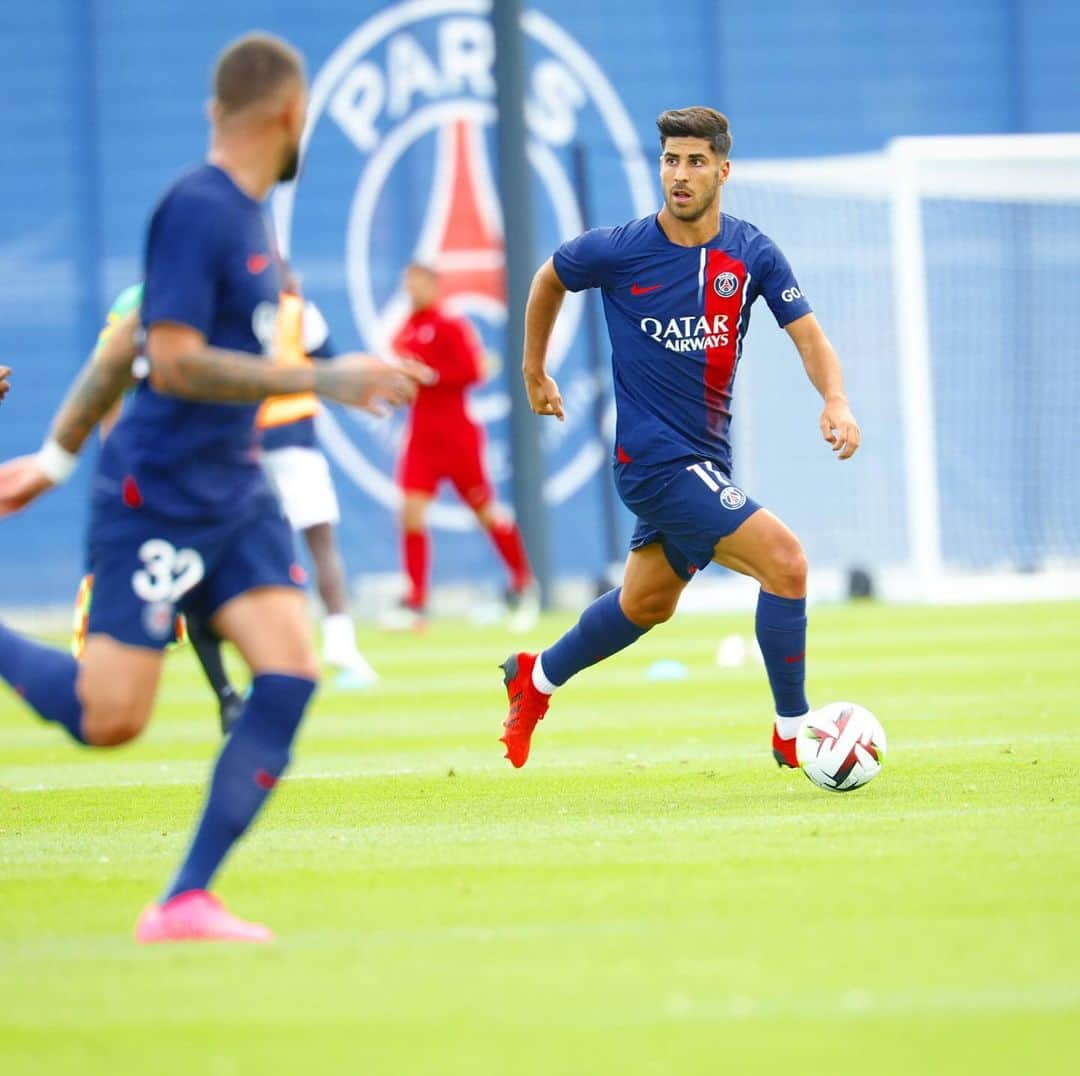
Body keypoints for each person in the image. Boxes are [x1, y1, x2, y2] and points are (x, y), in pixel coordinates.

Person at [0, 32, 429, 943]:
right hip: (157, 491)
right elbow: (176, 360)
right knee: (107, 719)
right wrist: (325, 378)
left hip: (232, 492)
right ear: (290, 114)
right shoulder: (200, 209)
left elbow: (123, 342)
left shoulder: (247, 217)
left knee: (289, 671)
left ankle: (184, 898)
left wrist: (50, 458)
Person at [498, 106, 861, 769]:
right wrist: (533, 369)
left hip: (705, 462)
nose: (681, 175)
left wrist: (834, 398)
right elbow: (549, 277)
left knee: (646, 603)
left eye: (695, 161)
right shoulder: (619, 249)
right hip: (653, 462)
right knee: (786, 561)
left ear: (723, 170)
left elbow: (809, 337)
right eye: (671, 160)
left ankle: (535, 676)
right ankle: (793, 735)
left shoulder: (751, 254)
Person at [384, 263, 538, 632]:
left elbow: (474, 371)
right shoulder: (405, 330)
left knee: (485, 510)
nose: (412, 290)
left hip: (456, 435)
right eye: (408, 283)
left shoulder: (451, 325)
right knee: (410, 512)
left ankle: (521, 583)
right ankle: (416, 601)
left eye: (418, 283)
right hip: (421, 436)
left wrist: (432, 376)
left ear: (434, 284)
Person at [256, 290, 379, 684]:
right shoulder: (296, 309)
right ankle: (339, 650)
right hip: (290, 441)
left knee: (267, 552)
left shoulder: (226, 304)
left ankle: (276, 656)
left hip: (247, 445)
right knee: (318, 544)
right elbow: (331, 369)